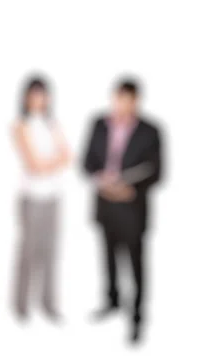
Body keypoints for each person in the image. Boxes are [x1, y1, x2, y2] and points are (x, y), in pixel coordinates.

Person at [82, 78, 163, 343]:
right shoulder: (99, 124)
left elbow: (157, 172)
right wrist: (101, 179)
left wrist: (131, 190)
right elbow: (87, 162)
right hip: (105, 204)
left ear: (136, 101)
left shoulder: (151, 130)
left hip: (132, 208)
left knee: (136, 264)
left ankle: (138, 316)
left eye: (127, 100)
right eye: (118, 99)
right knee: (107, 258)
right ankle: (112, 301)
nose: (121, 105)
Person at [12, 76, 71, 322]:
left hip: (53, 197)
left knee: (50, 252)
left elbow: (67, 156)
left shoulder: (51, 123)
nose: (39, 99)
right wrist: (51, 162)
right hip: (32, 198)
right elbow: (34, 164)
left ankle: (48, 303)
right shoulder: (21, 125)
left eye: (43, 94)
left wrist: (50, 163)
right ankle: (21, 305)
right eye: (35, 94)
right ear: (27, 97)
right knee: (29, 251)